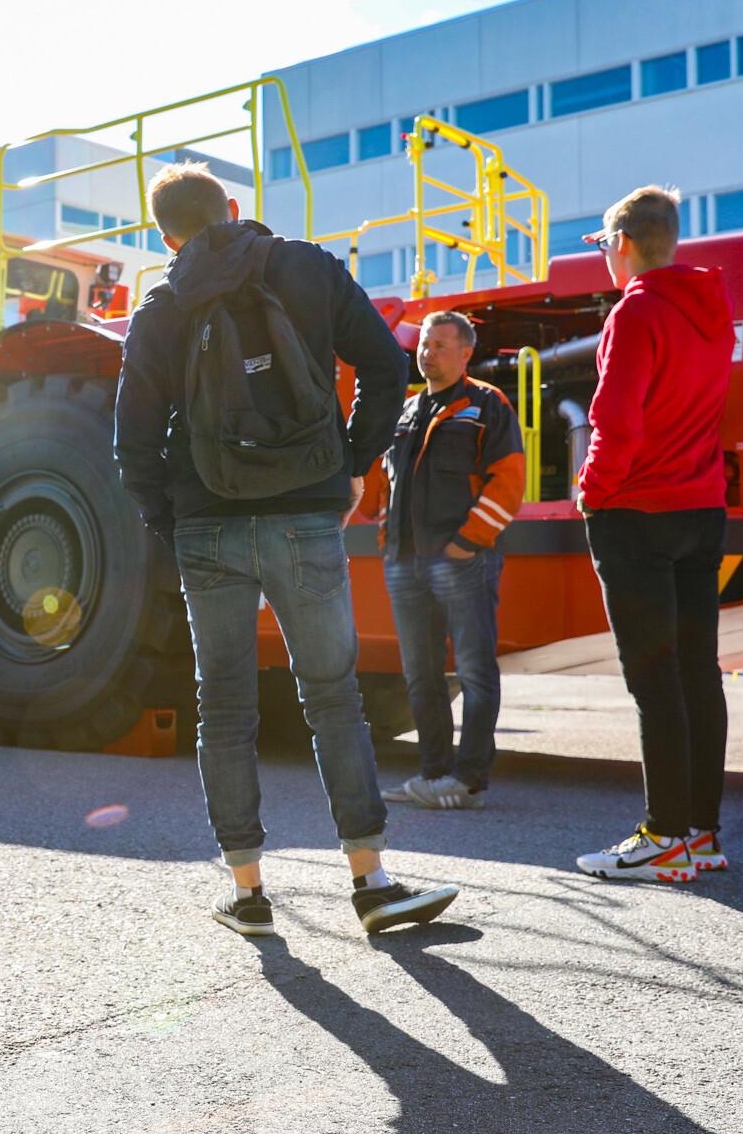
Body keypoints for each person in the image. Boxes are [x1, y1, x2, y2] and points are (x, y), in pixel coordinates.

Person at [114, 162, 458, 937]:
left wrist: (176, 523)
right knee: (332, 693)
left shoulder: (162, 307)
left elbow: (131, 439)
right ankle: (372, 881)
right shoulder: (305, 265)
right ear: (234, 209)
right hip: (306, 510)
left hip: (207, 520)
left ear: (167, 236)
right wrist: (351, 470)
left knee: (225, 703)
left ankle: (247, 893)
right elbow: (385, 366)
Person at [574, 185, 735, 883]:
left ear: (624, 242)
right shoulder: (712, 310)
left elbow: (617, 419)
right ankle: (700, 834)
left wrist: (591, 493)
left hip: (637, 511)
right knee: (699, 671)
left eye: (607, 245)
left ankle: (662, 835)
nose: (606, 258)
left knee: (653, 677)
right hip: (702, 510)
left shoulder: (635, 311)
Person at [357, 310, 524, 810]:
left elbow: (510, 482)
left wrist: (466, 543)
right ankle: (433, 775)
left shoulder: (486, 404)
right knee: (421, 674)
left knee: (474, 672)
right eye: (424, 345)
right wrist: (388, 537)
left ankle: (468, 780)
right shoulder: (406, 412)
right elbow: (381, 489)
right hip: (405, 564)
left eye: (439, 346)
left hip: (461, 562)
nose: (427, 353)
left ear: (465, 353)